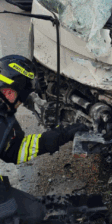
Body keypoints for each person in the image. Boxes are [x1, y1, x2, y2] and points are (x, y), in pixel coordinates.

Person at [0, 55, 88, 223]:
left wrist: (59, 136)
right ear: (9, 93)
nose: (21, 103)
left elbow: (14, 150)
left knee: (34, 209)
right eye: (22, 98)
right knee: (32, 213)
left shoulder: (4, 114)